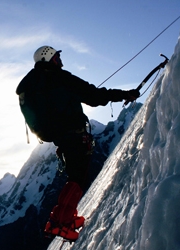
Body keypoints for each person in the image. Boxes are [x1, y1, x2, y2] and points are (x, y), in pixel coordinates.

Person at [16, 46, 140, 241]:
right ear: (49, 59)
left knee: (75, 175)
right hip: (73, 133)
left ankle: (61, 218)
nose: (59, 60)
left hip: (59, 136)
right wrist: (124, 94)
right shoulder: (60, 78)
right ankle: (61, 223)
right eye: (56, 57)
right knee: (78, 177)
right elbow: (94, 95)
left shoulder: (34, 83)